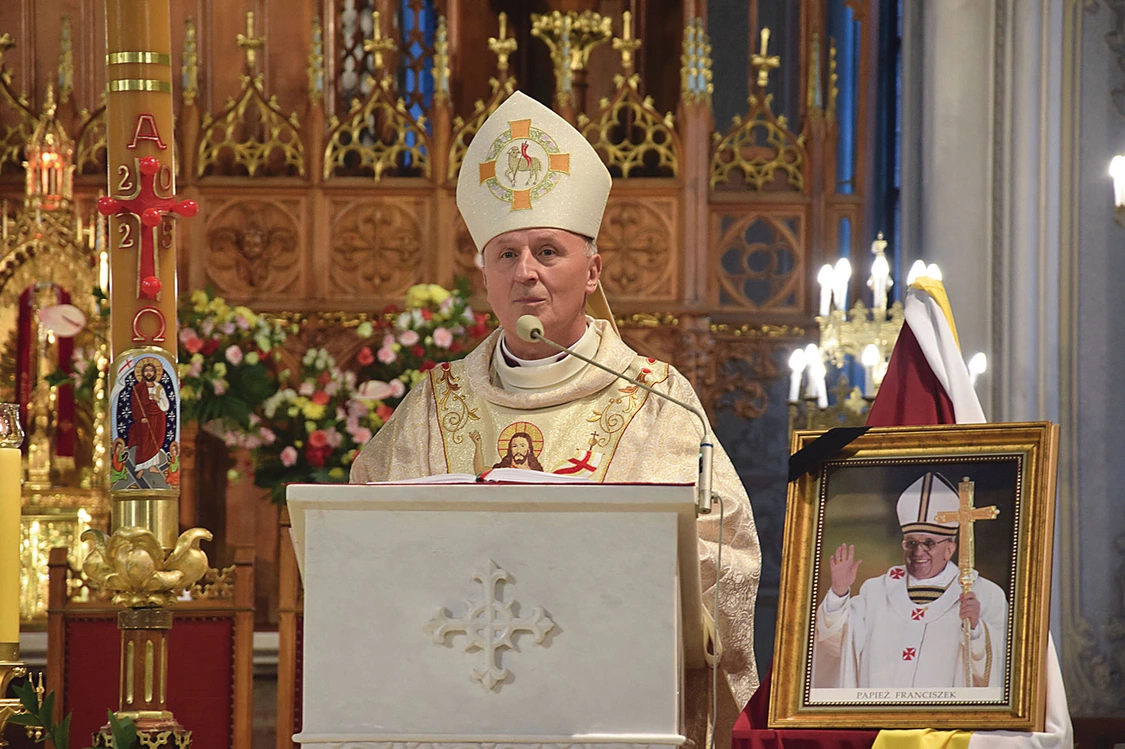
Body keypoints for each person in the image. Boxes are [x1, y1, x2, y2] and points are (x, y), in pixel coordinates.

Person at [351, 91, 761, 749]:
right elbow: (363, 545)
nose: (526, 273)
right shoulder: (433, 406)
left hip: (605, 707)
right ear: (484, 276)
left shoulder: (656, 401)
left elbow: (723, 552)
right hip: (453, 706)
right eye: (506, 255)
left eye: (548, 251)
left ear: (592, 271)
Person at [812, 472, 1007, 689]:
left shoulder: (986, 594)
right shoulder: (876, 592)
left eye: (929, 543)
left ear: (949, 549)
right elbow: (836, 644)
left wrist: (976, 629)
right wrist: (838, 592)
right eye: (911, 543)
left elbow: (1003, 664)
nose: (918, 552)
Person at [128, 357, 169, 474]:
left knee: (156, 439)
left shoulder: (159, 387)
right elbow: (135, 405)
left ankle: (152, 465)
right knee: (144, 441)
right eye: (146, 371)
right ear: (142, 373)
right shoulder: (138, 388)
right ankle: (140, 467)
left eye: (151, 370)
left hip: (157, 417)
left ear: (155, 373)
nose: (149, 373)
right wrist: (140, 417)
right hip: (144, 418)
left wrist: (157, 399)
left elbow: (166, 405)